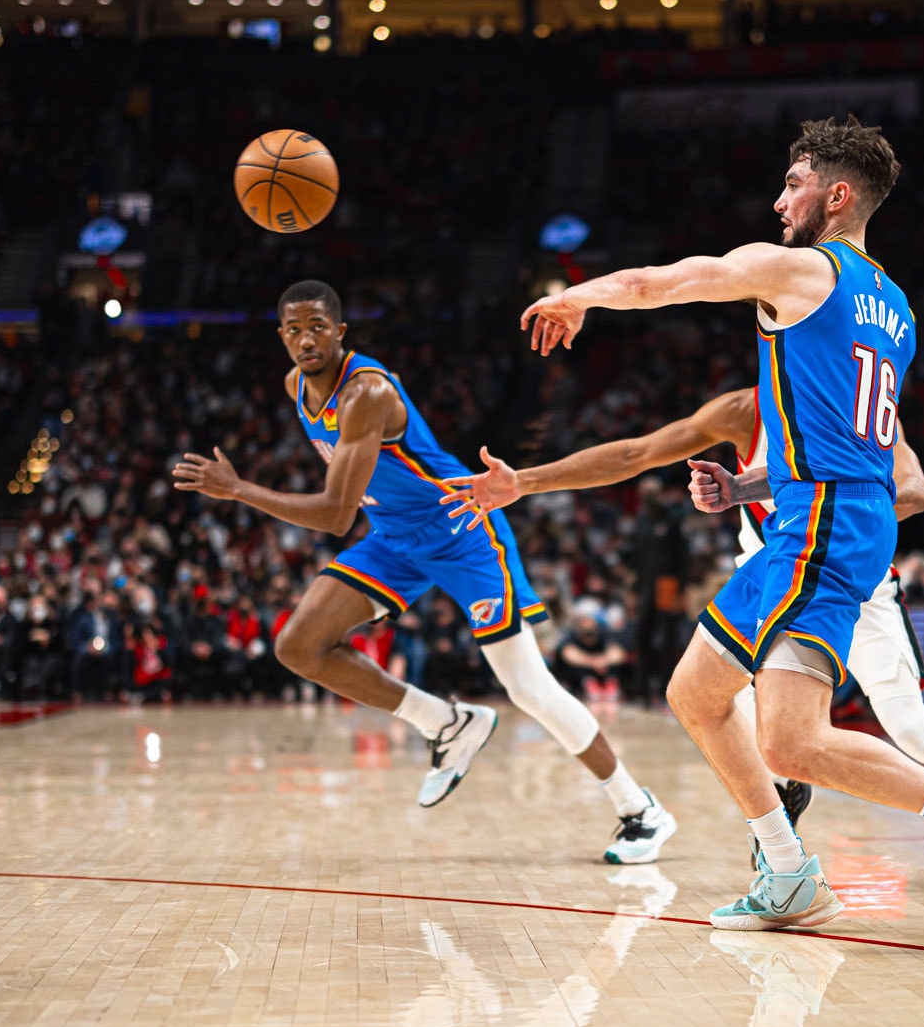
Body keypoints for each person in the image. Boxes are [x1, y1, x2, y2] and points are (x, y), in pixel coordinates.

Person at [519, 116, 924, 938]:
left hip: (825, 526)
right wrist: (748, 484)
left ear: (835, 195)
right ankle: (788, 871)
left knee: (795, 744)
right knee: (696, 694)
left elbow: (676, 279)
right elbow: (842, 439)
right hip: (830, 512)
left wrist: (579, 294)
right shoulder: (897, 306)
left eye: (794, 182)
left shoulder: (807, 268)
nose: (779, 202)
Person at [442, 385, 924, 893]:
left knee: (908, 727)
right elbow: (636, 454)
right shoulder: (744, 409)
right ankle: (783, 839)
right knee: (714, 704)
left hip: (855, 578)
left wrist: (782, 482)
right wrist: (524, 481)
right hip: (770, 575)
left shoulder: (859, 405)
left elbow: (914, 492)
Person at [174, 280, 676, 863]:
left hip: (462, 528)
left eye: (316, 326)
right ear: (281, 336)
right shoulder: (296, 387)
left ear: (340, 331)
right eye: (293, 329)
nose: (305, 339)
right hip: (395, 538)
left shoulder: (365, 391)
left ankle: (640, 809)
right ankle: (445, 722)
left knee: (528, 688)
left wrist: (239, 491)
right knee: (298, 645)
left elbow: (337, 515)